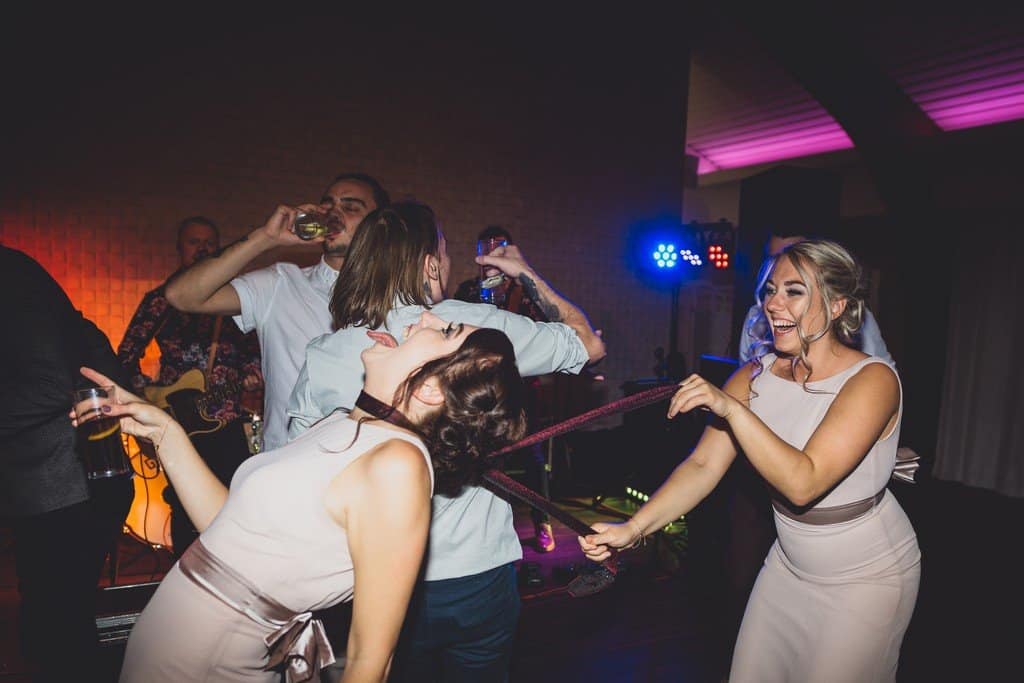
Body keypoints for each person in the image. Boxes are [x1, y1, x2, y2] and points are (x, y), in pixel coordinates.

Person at [86, 316, 529, 683]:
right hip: (172, 652)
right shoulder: (346, 425)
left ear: (431, 390)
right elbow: (229, 532)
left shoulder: (398, 465)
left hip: (206, 663)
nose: (424, 318)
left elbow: (369, 662)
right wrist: (164, 432)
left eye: (447, 330)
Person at [286, 201, 605, 682]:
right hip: (479, 574)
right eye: (444, 252)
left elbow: (304, 475)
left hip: (376, 577)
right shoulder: (469, 327)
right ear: (431, 266)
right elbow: (589, 345)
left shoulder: (326, 353)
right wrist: (525, 273)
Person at [580, 239, 920, 682]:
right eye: (770, 290)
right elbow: (702, 466)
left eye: (794, 291)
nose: (773, 304)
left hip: (865, 578)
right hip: (789, 567)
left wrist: (732, 409)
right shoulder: (754, 375)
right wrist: (634, 528)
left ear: (837, 305)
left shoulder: (872, 379)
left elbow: (804, 482)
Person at [165, 173, 390, 452]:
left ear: (380, 225)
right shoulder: (280, 283)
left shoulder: (398, 298)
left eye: (350, 207)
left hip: (367, 462)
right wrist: (266, 238)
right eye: (328, 205)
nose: (334, 213)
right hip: (286, 464)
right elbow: (181, 295)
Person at [0, 245, 135, 683]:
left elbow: (49, 385)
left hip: (67, 489)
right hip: (54, 488)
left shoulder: (11, 274)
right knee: (49, 633)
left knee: (60, 639)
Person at [117, 215, 263, 557]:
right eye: (194, 242)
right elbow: (125, 355)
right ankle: (187, 570)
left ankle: (230, 566)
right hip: (179, 420)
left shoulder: (235, 300)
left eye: (210, 243)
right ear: (180, 248)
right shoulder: (162, 300)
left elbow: (254, 350)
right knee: (184, 504)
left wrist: (253, 372)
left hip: (226, 417)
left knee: (236, 497)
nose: (203, 248)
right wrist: (152, 397)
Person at [454, 224, 557, 552]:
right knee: (484, 458)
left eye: (499, 249)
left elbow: (550, 326)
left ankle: (542, 521)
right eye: (485, 250)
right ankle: (481, 531)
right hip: (483, 393)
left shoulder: (525, 292)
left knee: (533, 458)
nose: (491, 256)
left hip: (522, 392)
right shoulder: (468, 291)